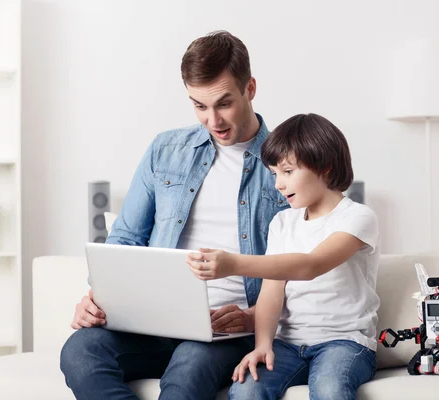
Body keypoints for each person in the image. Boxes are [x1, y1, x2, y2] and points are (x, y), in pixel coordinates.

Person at [60, 31, 289, 400]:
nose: (212, 120)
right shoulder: (165, 150)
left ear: (250, 88)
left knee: (189, 367)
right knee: (80, 351)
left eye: (223, 103)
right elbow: (126, 239)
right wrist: (98, 297)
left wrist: (251, 317)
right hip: (151, 323)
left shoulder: (287, 164)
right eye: (199, 106)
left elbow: (303, 265)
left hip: (227, 330)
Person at [187, 113, 381, 400]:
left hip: (344, 343)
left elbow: (311, 265)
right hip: (288, 344)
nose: (278, 183)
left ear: (325, 168)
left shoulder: (358, 217)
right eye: (274, 173)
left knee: (330, 388)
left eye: (288, 172)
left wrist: (233, 264)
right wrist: (263, 344)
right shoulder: (282, 223)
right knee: (246, 388)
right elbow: (272, 290)